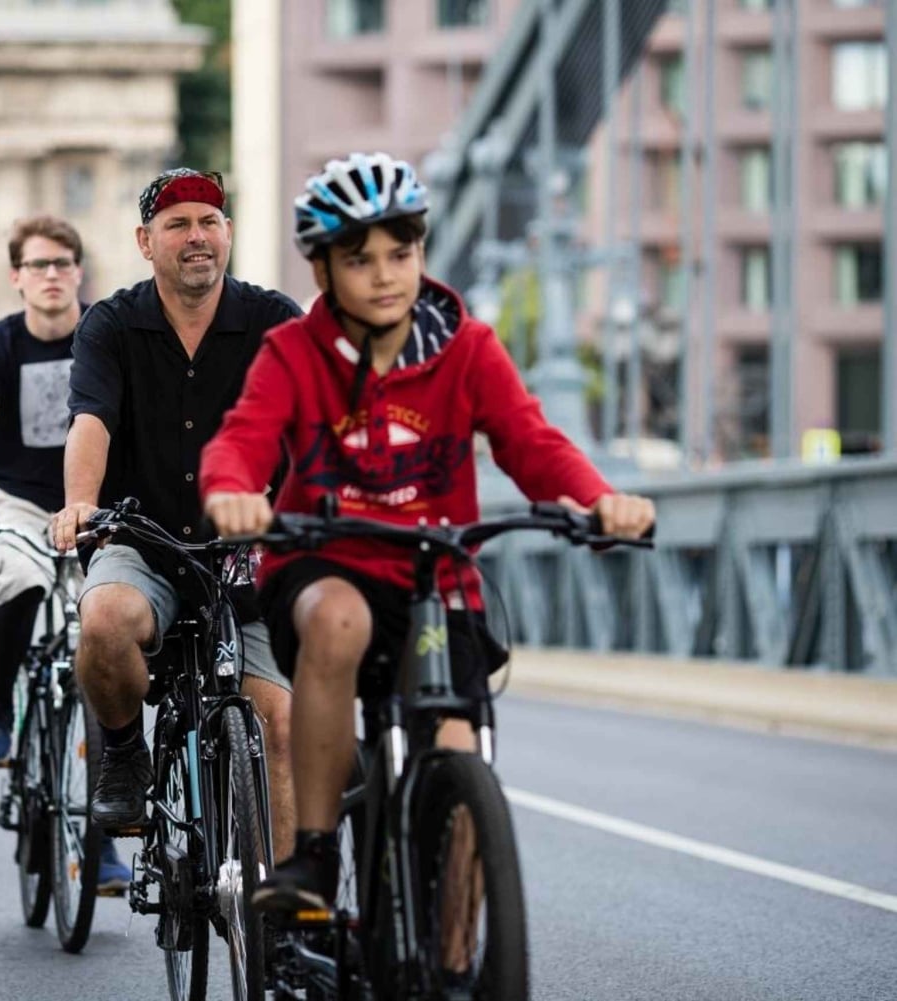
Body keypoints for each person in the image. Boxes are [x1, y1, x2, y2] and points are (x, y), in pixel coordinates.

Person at [198, 153, 656, 914]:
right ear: (323, 274)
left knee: (456, 758)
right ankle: (313, 854)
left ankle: (450, 966)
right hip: (324, 565)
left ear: (421, 255)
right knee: (339, 621)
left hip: (436, 579)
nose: (385, 275)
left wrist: (600, 501)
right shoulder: (292, 353)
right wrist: (233, 491)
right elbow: (241, 438)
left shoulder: (468, 348)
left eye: (400, 254)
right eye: (360, 259)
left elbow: (533, 443)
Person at [49, 168, 304, 864]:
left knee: (279, 723)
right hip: (145, 536)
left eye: (210, 223)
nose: (198, 237)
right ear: (145, 240)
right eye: (178, 224)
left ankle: (276, 929)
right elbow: (91, 419)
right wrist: (81, 502)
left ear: (227, 234)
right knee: (102, 620)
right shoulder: (112, 323)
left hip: (245, 551)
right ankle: (127, 752)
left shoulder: (275, 319)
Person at [0, 214, 130, 891]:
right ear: (16, 277)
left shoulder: (104, 335)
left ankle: (105, 840)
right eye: (38, 265)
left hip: (93, 505)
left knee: (105, 651)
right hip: (18, 504)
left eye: (62, 263)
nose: (51, 275)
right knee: (21, 581)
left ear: (79, 272)